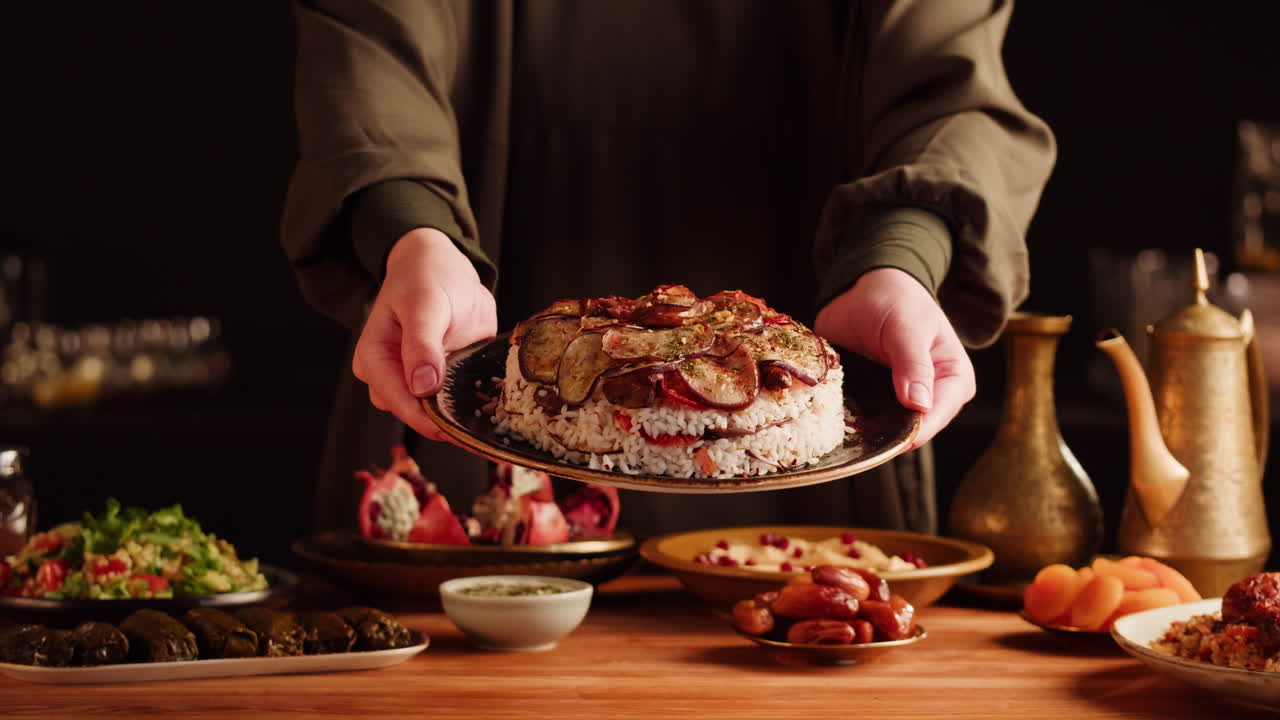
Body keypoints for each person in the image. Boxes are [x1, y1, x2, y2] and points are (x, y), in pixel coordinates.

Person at [281, 0, 1056, 538]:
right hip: (466, 450)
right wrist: (414, 231)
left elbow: (955, 90)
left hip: (823, 478)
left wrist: (900, 258)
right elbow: (368, 55)